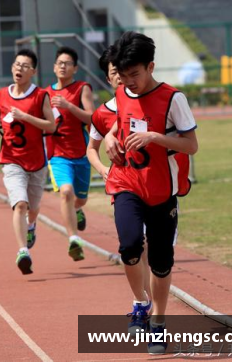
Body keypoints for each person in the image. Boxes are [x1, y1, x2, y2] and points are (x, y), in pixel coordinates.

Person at [103, 32, 198, 354]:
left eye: (135, 74)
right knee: (129, 246)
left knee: (160, 262)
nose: (129, 82)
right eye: (124, 75)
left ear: (151, 66)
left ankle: (158, 322)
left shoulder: (174, 99)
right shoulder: (121, 93)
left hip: (162, 191)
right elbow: (116, 125)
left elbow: (192, 145)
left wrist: (157, 138)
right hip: (127, 182)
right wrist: (109, 140)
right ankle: (141, 304)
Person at [87, 45, 151, 301]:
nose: (120, 76)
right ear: (108, 77)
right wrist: (103, 169)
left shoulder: (147, 100)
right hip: (123, 183)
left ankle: (149, 298)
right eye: (115, 72)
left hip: (153, 182)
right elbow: (91, 148)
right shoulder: (102, 113)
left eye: (124, 71)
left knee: (153, 247)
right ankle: (142, 299)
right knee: (136, 242)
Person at [0, 49, 56, 275]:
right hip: (11, 159)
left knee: (33, 208)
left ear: (33, 71)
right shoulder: (2, 93)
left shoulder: (40, 95)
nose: (19, 68)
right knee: (20, 204)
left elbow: (51, 125)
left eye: (25, 66)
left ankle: (31, 225)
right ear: (12, 67)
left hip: (36, 161)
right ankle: (22, 251)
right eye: (17, 64)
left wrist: (25, 117)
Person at [45, 46, 95, 262]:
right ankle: (74, 239)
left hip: (81, 154)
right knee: (65, 192)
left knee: (80, 200)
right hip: (57, 154)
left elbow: (92, 118)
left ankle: (77, 210)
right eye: (59, 63)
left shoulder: (82, 88)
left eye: (67, 63)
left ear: (75, 68)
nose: (63, 66)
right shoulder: (45, 93)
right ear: (54, 67)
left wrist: (68, 106)